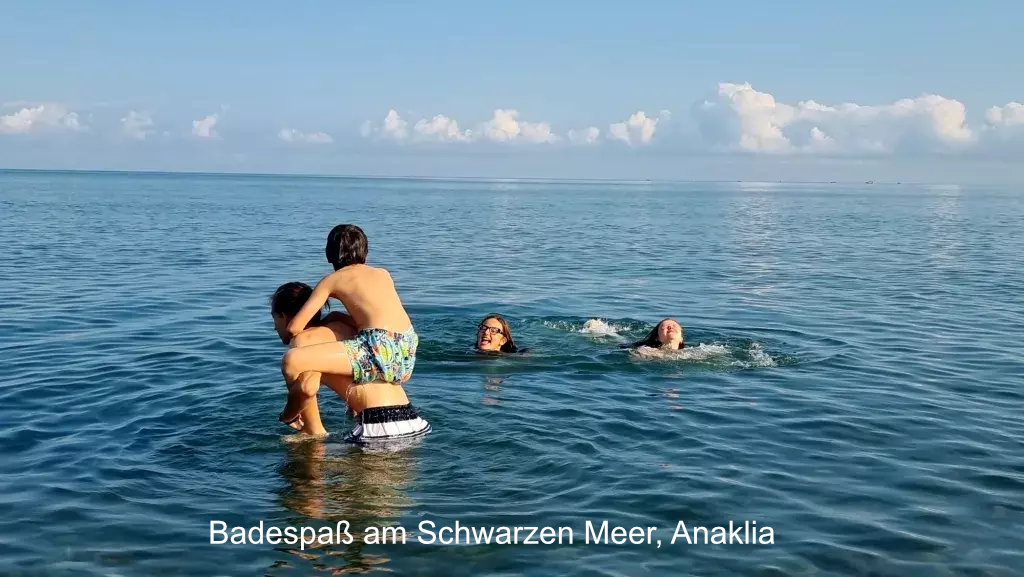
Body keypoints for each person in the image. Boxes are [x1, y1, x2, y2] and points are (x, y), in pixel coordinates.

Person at [277, 225, 429, 444]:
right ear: (365, 252)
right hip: (406, 351)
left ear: (329, 254)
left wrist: (297, 332)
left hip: (377, 347)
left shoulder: (333, 279)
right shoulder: (383, 274)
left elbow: (294, 328)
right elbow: (374, 320)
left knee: (292, 361)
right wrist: (337, 316)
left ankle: (293, 417)